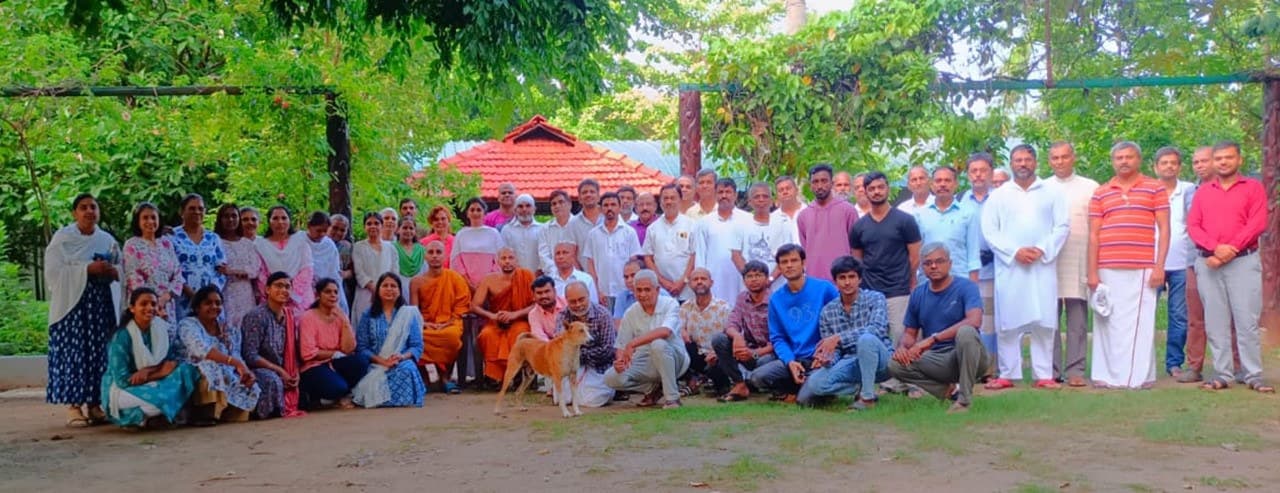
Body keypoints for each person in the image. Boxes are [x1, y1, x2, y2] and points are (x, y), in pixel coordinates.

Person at [982, 144, 1069, 390]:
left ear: (1035, 162)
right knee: (1008, 321)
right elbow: (990, 231)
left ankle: (1044, 375)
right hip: (1011, 268)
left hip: (1042, 265)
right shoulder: (999, 194)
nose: (1023, 164)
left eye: (1027, 160)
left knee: (1044, 321)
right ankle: (1008, 373)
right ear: (1011, 164)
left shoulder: (1052, 192)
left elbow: (1062, 226)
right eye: (1018, 160)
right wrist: (1015, 252)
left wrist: (1041, 248)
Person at [1188, 141, 1270, 392]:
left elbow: (1257, 223)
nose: (1223, 162)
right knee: (1215, 321)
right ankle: (1223, 374)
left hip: (1243, 261)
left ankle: (1253, 374)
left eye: (1229, 157)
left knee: (1247, 319)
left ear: (1239, 160)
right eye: (1219, 158)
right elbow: (1193, 226)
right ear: (1213, 162)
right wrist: (1214, 248)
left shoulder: (1253, 188)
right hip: (1208, 262)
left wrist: (1228, 250)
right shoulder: (1203, 191)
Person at [1087, 141, 1169, 390]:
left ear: (1139, 160)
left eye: (1129, 157)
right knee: (1106, 320)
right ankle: (1105, 375)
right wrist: (1092, 272)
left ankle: (1137, 378)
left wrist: (1159, 267)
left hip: (1142, 266)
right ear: (1113, 161)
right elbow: (1093, 235)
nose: (1124, 161)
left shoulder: (1155, 189)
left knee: (1140, 325)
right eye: (1119, 157)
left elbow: (1164, 229)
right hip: (1107, 266)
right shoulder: (1101, 192)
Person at [45, 193, 120, 427]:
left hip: (100, 306)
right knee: (74, 353)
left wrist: (111, 270)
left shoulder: (107, 240)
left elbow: (121, 268)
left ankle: (96, 405)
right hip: (72, 307)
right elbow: (54, 274)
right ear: (74, 213)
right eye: (83, 207)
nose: (89, 211)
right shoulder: (63, 239)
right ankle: (74, 407)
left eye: (93, 207)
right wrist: (88, 269)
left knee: (100, 354)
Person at [888, 243, 991, 413]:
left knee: (966, 332)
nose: (934, 266)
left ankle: (964, 401)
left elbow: (975, 321)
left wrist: (933, 339)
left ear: (949, 264)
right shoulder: (918, 294)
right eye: (928, 263)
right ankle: (948, 392)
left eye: (939, 261)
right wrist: (902, 348)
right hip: (938, 360)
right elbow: (909, 333)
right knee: (894, 364)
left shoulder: (966, 287)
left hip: (970, 355)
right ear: (922, 267)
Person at [798, 256, 892, 410]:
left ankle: (867, 399)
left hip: (881, 362)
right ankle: (860, 388)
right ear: (835, 281)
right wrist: (826, 359)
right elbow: (834, 350)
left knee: (867, 339)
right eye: (842, 278)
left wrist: (839, 338)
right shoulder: (827, 311)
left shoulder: (876, 298)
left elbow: (878, 329)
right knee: (815, 383)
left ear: (859, 279)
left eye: (851, 277)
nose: (847, 282)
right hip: (851, 362)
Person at [1180, 146, 1239, 383]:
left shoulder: (1233, 188)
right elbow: (1192, 227)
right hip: (1196, 260)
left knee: (1233, 315)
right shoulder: (1190, 192)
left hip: (1232, 259)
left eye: (1205, 160)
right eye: (1195, 162)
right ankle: (1195, 365)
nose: (1200, 166)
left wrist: (1222, 252)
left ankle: (1236, 365)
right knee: (1196, 316)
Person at [101, 288, 200, 428]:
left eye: (153, 304)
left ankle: (155, 416)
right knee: (159, 400)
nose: (149, 308)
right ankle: (147, 416)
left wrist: (149, 370)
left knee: (188, 369)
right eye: (143, 304)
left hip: (153, 381)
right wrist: (159, 373)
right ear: (132, 308)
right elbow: (122, 380)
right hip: (122, 389)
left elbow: (172, 361)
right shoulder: (121, 336)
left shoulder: (160, 328)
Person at [1046, 142, 1099, 386]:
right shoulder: (1041, 188)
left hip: (1079, 259)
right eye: (1055, 158)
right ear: (1049, 161)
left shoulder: (1090, 187)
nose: (1060, 162)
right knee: (1050, 319)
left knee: (1077, 320)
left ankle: (1076, 370)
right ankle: (1051, 369)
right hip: (1049, 262)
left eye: (1064, 157)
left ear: (1073, 158)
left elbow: (1098, 228)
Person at [849, 171, 922, 347]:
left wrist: (910, 280)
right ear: (865, 192)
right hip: (870, 292)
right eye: (871, 188)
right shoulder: (859, 227)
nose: (876, 192)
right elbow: (857, 261)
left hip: (899, 289)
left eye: (880, 187)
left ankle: (903, 373)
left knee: (900, 336)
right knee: (873, 339)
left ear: (888, 189)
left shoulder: (905, 221)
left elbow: (915, 256)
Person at [758, 244, 839, 402]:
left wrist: (827, 355)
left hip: (821, 358)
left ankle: (817, 388)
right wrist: (790, 361)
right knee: (757, 377)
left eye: (794, 260)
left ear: (803, 263)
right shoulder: (776, 299)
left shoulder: (825, 289)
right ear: (779, 267)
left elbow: (841, 323)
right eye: (784, 262)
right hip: (795, 359)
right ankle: (801, 386)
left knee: (805, 401)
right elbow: (778, 337)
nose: (789, 265)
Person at [606, 269, 689, 409]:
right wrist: (620, 361)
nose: (642, 294)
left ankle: (672, 399)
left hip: (675, 358)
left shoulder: (670, 304)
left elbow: (665, 331)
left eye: (647, 290)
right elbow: (621, 345)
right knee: (611, 378)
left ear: (657, 290)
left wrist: (633, 343)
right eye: (638, 290)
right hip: (645, 360)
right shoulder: (631, 312)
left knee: (658, 344)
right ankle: (652, 389)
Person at [179, 286, 259, 423]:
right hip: (193, 367)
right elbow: (202, 351)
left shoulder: (227, 329)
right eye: (208, 303)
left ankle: (227, 414)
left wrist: (245, 371)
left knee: (247, 382)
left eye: (218, 303)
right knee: (210, 366)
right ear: (197, 307)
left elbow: (236, 354)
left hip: (226, 367)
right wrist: (235, 363)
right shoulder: (187, 325)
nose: (214, 306)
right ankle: (204, 412)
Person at [352, 273, 427, 408]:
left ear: (399, 291)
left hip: (399, 361)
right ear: (378, 289)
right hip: (375, 363)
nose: (389, 289)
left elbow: (416, 346)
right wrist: (382, 361)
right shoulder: (368, 315)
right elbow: (362, 347)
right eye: (385, 285)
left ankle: (387, 399)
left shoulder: (407, 314)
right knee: (369, 374)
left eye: (393, 286)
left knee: (407, 370)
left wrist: (401, 356)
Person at [1153, 147, 1195, 380]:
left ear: (1180, 167)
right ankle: (1141, 362)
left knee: (1179, 315)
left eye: (1173, 163)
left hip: (1181, 263)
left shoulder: (1188, 190)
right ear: (1155, 167)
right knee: (1145, 314)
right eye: (1164, 163)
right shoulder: (1148, 190)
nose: (1169, 166)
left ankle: (1174, 363)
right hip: (1152, 263)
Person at [240, 272, 306, 419]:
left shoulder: (289, 315)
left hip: (283, 369)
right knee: (272, 380)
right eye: (279, 286)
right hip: (258, 368)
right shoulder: (256, 316)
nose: (284, 290)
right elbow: (250, 355)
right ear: (267, 289)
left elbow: (292, 351)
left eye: (287, 287)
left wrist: (294, 373)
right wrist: (280, 371)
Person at [409, 240, 468, 394]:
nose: (434, 256)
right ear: (425, 257)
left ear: (445, 256)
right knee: (416, 337)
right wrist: (426, 324)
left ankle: (445, 377)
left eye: (438, 252)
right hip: (426, 324)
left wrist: (447, 323)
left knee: (451, 337)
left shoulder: (455, 278)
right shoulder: (416, 282)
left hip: (450, 323)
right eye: (431, 252)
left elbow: (461, 307)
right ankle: (425, 377)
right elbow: (414, 312)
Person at [298, 279, 368, 409]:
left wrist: (345, 321)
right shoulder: (308, 317)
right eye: (328, 292)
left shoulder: (339, 316)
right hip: (314, 365)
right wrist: (334, 353)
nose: (333, 295)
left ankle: (338, 392)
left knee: (362, 361)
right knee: (338, 387)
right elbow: (307, 353)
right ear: (318, 295)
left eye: (336, 292)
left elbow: (349, 349)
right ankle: (322, 395)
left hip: (335, 363)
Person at [712, 261, 775, 402]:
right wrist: (737, 337)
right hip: (747, 351)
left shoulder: (775, 300)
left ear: (766, 278)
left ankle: (759, 383)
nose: (753, 279)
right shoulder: (742, 298)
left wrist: (753, 353)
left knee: (762, 365)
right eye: (749, 276)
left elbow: (779, 340)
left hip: (768, 354)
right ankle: (740, 384)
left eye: (758, 275)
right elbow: (731, 323)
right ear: (744, 280)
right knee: (719, 340)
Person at [472, 248, 536, 385]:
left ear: (517, 260)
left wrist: (515, 314)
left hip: (519, 320)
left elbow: (536, 304)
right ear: (497, 261)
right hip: (496, 322)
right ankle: (496, 376)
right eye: (504, 258)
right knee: (486, 335)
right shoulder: (489, 279)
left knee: (521, 333)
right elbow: (475, 306)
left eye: (511, 258)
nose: (507, 262)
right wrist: (492, 316)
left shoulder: (527, 276)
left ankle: (517, 372)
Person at [911, 167, 980, 283]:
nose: (942, 184)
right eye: (938, 181)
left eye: (947, 181)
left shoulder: (968, 213)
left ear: (956, 184)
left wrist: (972, 288)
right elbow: (915, 255)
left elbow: (973, 255)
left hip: (959, 281)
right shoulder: (920, 215)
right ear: (932, 185)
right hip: (928, 282)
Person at [556, 281, 617, 407]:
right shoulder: (563, 317)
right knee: (562, 399)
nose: (578, 305)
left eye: (581, 299)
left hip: (598, 366)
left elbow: (607, 350)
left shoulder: (603, 315)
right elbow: (559, 345)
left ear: (589, 296)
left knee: (593, 400)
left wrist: (579, 354)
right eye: (573, 301)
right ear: (566, 300)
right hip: (572, 365)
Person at [959, 154, 998, 355]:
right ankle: (972, 363)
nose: (978, 175)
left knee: (992, 319)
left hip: (997, 268)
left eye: (983, 170)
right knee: (971, 318)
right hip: (968, 270)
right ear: (968, 175)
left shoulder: (1001, 198)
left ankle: (991, 367)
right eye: (974, 171)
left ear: (991, 172)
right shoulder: (960, 201)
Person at [797, 163, 860, 282]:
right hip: (814, 283)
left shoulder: (848, 211)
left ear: (831, 183)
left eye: (824, 181)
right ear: (810, 186)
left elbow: (856, 249)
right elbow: (805, 250)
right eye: (815, 182)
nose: (820, 186)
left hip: (843, 283)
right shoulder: (803, 216)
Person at [123, 202, 183, 322]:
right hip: (144, 307)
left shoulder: (166, 243)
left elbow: (177, 274)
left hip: (167, 305)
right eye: (145, 218)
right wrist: (153, 303)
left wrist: (165, 297)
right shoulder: (132, 245)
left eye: (153, 217)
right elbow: (133, 277)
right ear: (138, 221)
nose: (150, 221)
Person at [677, 268, 733, 396]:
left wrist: (717, 353)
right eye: (695, 279)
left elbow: (731, 334)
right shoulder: (685, 307)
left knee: (718, 372)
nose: (699, 282)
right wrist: (682, 331)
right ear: (690, 284)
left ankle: (716, 383)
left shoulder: (724, 307)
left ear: (711, 283)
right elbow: (678, 328)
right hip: (696, 355)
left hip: (718, 355)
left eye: (703, 279)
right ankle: (693, 379)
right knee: (675, 343)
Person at [172, 193, 227, 320]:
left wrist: (208, 297)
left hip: (211, 303)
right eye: (192, 208)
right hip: (183, 300)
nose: (197, 212)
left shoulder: (213, 238)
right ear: (181, 212)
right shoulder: (171, 237)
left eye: (200, 209)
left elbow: (221, 271)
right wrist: (191, 294)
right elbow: (171, 269)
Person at [696, 178, 751, 302]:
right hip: (714, 279)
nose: (724, 196)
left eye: (728, 192)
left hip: (741, 278)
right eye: (720, 192)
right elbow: (700, 255)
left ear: (735, 195)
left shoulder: (748, 220)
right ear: (715, 195)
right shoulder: (704, 222)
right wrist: (701, 280)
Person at [584, 192, 642, 309]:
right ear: (600, 209)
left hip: (625, 292)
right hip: (603, 292)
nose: (609, 208)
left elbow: (633, 263)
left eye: (613, 204)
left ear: (619, 207)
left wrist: (631, 289)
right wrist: (597, 291)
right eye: (606, 205)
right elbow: (590, 264)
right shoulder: (593, 234)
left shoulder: (629, 232)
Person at [254, 205, 314, 310]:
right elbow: (261, 273)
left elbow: (307, 269)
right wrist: (276, 292)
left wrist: (290, 292)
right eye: (275, 218)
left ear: (290, 220)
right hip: (273, 298)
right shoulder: (260, 244)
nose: (280, 222)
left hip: (299, 299)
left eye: (284, 218)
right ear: (269, 221)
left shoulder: (301, 240)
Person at [735, 182, 796, 285]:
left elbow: (786, 256)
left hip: (778, 285)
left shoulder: (783, 223)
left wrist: (770, 279)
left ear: (771, 201)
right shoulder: (740, 225)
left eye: (765, 196)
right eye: (757, 197)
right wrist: (751, 279)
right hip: (750, 288)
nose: (761, 199)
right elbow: (736, 255)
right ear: (750, 202)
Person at [644, 183, 697, 301]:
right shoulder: (652, 228)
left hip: (687, 290)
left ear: (680, 199)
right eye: (665, 198)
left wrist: (683, 281)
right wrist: (663, 282)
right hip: (662, 291)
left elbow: (694, 255)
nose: (669, 202)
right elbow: (648, 257)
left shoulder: (691, 225)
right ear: (660, 202)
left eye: (673, 198)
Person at [217, 204, 264, 328]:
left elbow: (254, 270)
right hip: (224, 293)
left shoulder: (247, 244)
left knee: (247, 327)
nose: (231, 220)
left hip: (245, 294)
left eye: (234, 216)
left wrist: (231, 271)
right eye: (226, 216)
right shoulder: (215, 242)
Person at [351, 212, 398, 328]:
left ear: (382, 226)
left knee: (385, 325)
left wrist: (386, 289)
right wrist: (375, 289)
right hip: (366, 293)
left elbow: (394, 272)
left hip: (387, 293)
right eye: (369, 224)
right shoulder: (358, 247)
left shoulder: (391, 248)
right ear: (364, 227)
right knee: (365, 326)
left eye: (376, 223)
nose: (373, 226)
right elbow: (359, 272)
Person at [453, 197, 505, 290]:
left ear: (484, 213)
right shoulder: (461, 234)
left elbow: (500, 260)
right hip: (465, 284)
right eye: (472, 210)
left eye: (479, 210)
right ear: (467, 214)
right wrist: (467, 282)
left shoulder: (493, 233)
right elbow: (456, 260)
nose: (475, 213)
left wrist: (486, 282)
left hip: (490, 285)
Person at [305, 211, 350, 317]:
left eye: (324, 231)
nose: (322, 234)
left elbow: (334, 273)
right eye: (318, 230)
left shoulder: (331, 245)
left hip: (327, 290)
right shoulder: (300, 240)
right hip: (304, 290)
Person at [501, 193, 543, 274]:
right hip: (514, 277)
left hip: (539, 279)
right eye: (520, 206)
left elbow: (545, 254)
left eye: (528, 206)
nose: (524, 209)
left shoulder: (542, 229)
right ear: (515, 210)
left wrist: (539, 272)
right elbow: (504, 256)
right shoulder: (507, 230)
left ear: (534, 209)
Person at [538, 190, 576, 274]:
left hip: (578, 274)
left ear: (569, 204)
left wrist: (573, 271)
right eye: (554, 204)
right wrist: (558, 272)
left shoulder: (579, 225)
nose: (557, 206)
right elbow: (543, 256)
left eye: (561, 202)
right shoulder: (545, 228)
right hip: (553, 276)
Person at [569, 179, 604, 269]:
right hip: (586, 278)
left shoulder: (610, 217)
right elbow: (571, 255)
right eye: (584, 192)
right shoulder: (573, 223)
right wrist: (582, 276)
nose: (588, 194)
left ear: (598, 197)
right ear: (579, 199)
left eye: (592, 192)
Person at [328, 213, 357, 309]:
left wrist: (345, 274)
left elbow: (354, 270)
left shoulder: (347, 247)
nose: (338, 232)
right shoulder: (319, 243)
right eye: (335, 228)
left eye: (342, 230)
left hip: (340, 289)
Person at [393, 217, 427, 292]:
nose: (408, 230)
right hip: (397, 288)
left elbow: (426, 273)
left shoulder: (421, 250)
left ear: (415, 231)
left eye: (411, 228)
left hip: (419, 289)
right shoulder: (392, 248)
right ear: (398, 230)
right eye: (405, 228)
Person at [528, 276, 566, 342]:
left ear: (554, 291)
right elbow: (540, 338)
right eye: (539, 293)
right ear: (533, 295)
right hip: (551, 348)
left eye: (547, 291)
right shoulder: (533, 314)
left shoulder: (566, 303)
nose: (544, 296)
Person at [771, 175, 807, 241]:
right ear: (777, 195)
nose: (785, 192)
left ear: (796, 190)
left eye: (788, 188)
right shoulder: (773, 219)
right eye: (780, 190)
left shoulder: (809, 212)